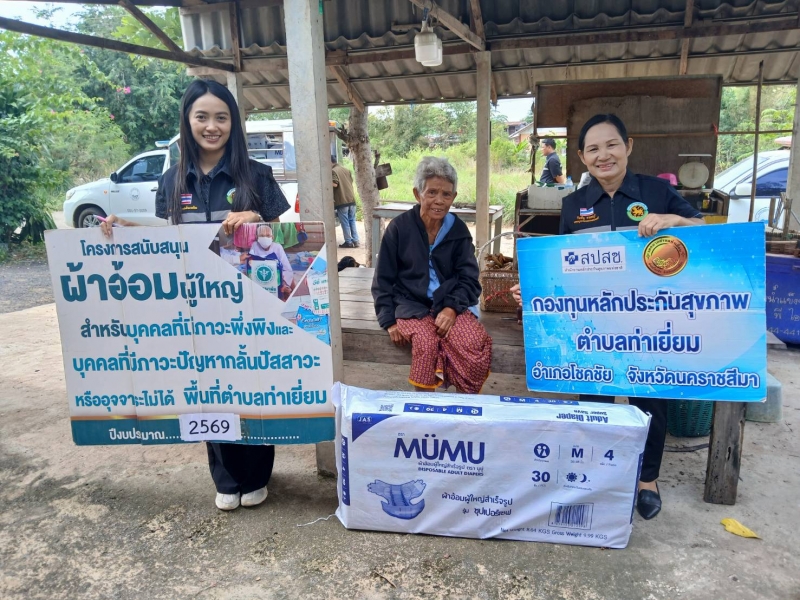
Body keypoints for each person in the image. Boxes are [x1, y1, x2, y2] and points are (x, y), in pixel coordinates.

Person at [100, 79, 290, 512]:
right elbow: (169, 238)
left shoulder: (256, 174)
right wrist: (127, 228)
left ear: (233, 123)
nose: (211, 126)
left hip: (249, 302)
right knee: (210, 387)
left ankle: (257, 475)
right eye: (201, 116)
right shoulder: (172, 179)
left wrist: (256, 217)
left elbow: (284, 236)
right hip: (195, 304)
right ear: (188, 121)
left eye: (221, 117)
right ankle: (226, 478)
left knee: (252, 384)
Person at [513, 114, 704, 520]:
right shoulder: (573, 205)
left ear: (628, 146)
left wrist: (675, 221)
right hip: (593, 327)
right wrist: (534, 289)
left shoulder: (658, 192)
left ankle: (647, 480)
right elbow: (561, 265)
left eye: (612, 144)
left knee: (650, 401)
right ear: (582, 157)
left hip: (649, 324)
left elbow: (704, 232)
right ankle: (598, 475)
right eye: (593, 149)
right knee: (594, 401)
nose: (604, 155)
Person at [372, 157, 492, 394]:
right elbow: (383, 279)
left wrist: (452, 308)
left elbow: (469, 279)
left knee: (471, 342)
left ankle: (465, 406)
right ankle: (425, 407)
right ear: (418, 194)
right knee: (426, 343)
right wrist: (388, 320)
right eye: (432, 192)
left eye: (446, 194)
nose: (439, 200)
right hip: (410, 304)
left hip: (449, 302)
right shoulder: (399, 228)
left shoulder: (458, 230)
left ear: (453, 197)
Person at [247, 224, 293, 297]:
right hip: (259, 276)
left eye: (268, 236)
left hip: (276, 277)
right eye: (262, 236)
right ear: (257, 237)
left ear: (272, 237)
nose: (265, 238)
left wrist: (285, 284)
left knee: (289, 284)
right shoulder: (255, 245)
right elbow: (250, 264)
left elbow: (287, 268)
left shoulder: (277, 247)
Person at [332, 157, 360, 248]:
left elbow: (334, 184)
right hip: (351, 200)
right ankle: (356, 240)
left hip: (342, 201)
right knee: (352, 221)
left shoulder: (333, 171)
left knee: (345, 222)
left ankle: (348, 242)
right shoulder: (346, 170)